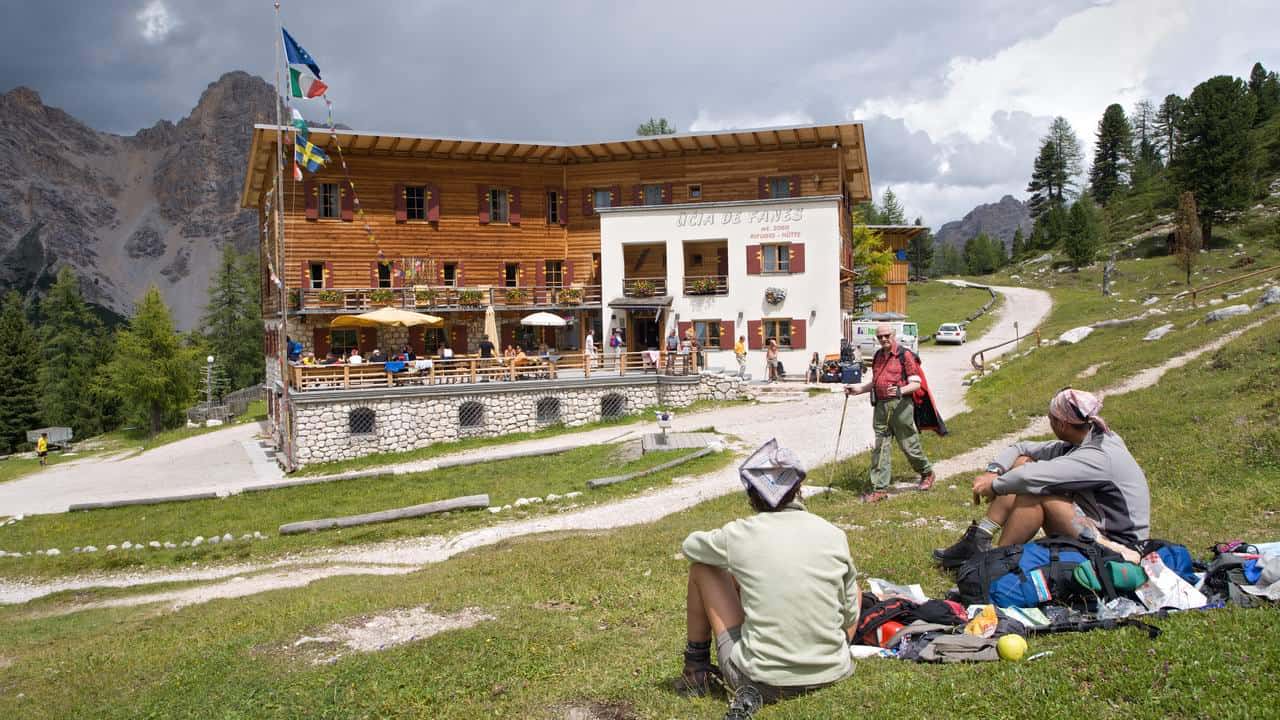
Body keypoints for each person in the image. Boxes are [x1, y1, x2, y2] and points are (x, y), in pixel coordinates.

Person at [676, 440, 859, 716]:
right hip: (834, 672)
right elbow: (848, 615)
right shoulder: (833, 534)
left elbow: (691, 546)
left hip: (760, 681)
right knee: (855, 590)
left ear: (751, 495)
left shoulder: (740, 534)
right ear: (798, 489)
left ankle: (696, 668)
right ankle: (822, 658)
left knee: (703, 569)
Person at [933, 388, 1151, 567]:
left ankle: (994, 563)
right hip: (1096, 529)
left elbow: (1030, 478)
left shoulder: (1097, 456)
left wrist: (994, 485)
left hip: (1121, 547)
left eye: (1050, 419)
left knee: (1033, 492)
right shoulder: (1088, 439)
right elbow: (1021, 447)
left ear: (1062, 424)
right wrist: (994, 470)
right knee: (1023, 462)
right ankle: (980, 538)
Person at [843, 323, 934, 503]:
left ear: (893, 335)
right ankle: (880, 488)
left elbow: (916, 383)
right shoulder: (877, 356)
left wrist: (900, 390)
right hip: (881, 407)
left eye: (886, 336)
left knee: (908, 444)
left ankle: (927, 472)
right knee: (881, 447)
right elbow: (875, 383)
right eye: (880, 337)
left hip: (901, 406)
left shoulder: (904, 355)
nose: (883, 339)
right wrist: (859, 389)